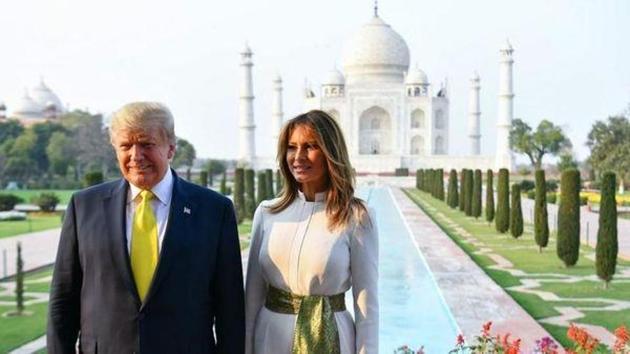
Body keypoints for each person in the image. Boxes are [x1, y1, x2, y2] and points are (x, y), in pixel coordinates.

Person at [47, 102, 245, 354]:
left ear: (171, 148)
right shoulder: (84, 207)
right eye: (126, 146)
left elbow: (231, 310)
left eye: (146, 144)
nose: (136, 155)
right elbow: (63, 302)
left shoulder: (214, 210)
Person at [245, 110, 378, 354]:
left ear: (331, 152)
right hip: (270, 337)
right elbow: (252, 298)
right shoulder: (268, 213)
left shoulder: (355, 216)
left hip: (332, 336)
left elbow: (366, 305)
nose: (298, 157)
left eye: (310, 146)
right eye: (291, 147)